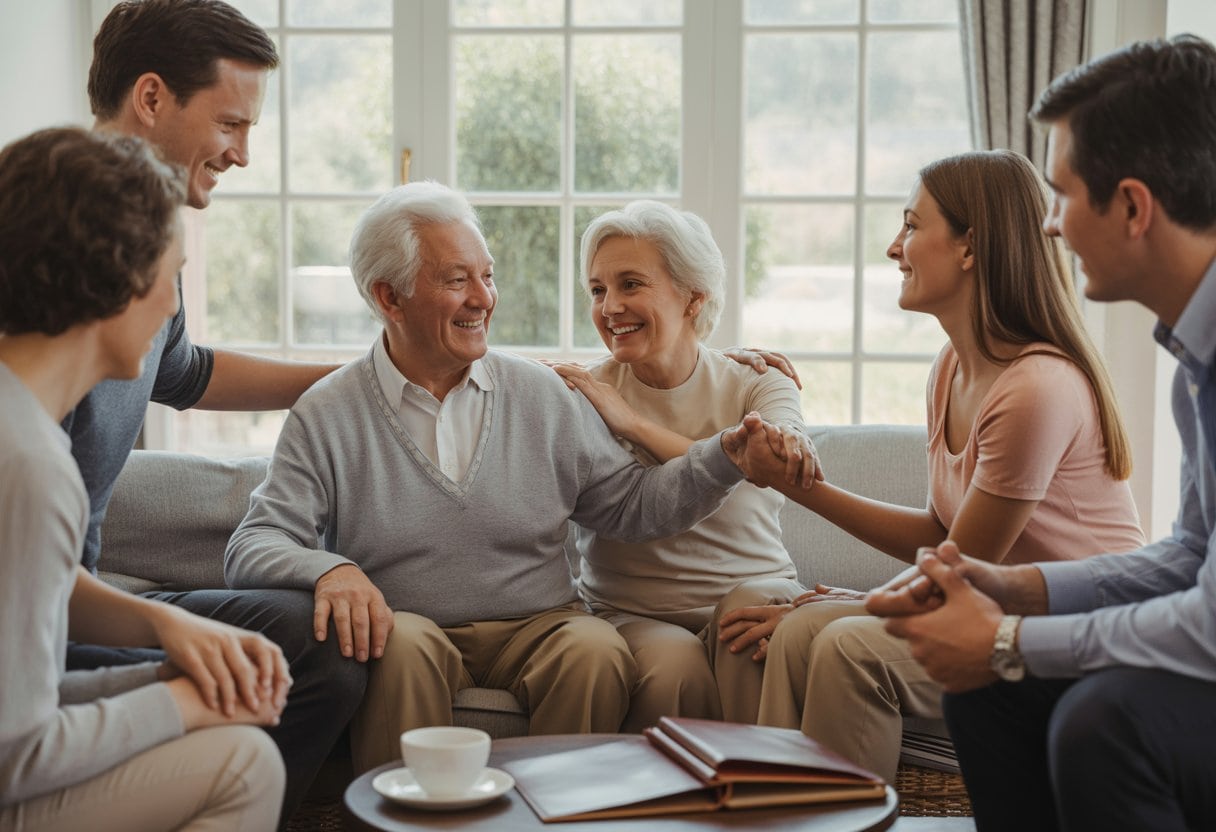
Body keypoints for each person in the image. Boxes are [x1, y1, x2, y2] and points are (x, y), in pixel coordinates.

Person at [222, 181, 785, 773]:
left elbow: (635, 506)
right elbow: (254, 543)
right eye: (457, 280)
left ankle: (556, 818)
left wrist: (722, 454)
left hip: (541, 624)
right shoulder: (328, 410)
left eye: (487, 277)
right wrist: (330, 569)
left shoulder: (540, 393)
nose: (483, 299)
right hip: (413, 623)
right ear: (390, 297)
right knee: (398, 650)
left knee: (593, 650)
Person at [866, 34, 1216, 832]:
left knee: (1107, 722)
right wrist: (1015, 589)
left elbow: (1210, 622)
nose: (1050, 227)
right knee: (992, 692)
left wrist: (1008, 639)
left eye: (1060, 197)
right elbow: (1193, 556)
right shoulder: (1197, 356)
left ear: (1131, 207)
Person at [718, 149, 1145, 783]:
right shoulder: (950, 369)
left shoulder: (1035, 388)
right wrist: (792, 485)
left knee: (846, 645)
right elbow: (942, 535)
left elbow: (958, 574)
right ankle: (771, 814)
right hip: (987, 606)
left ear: (970, 247)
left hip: (1069, 636)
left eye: (913, 226)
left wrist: (858, 602)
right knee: (796, 632)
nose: (895, 248)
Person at [70, 1, 363, 822]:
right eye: (230, 123)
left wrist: (357, 379)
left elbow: (182, 370)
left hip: (80, 590)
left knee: (325, 643)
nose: (240, 154)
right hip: (39, 617)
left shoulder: (144, 233)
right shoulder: (54, 241)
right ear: (153, 97)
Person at [0, 126, 287, 831]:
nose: (169, 309)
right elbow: (15, 757)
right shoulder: (33, 466)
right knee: (245, 763)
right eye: (171, 274)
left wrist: (168, 665)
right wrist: (188, 704)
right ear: (121, 277)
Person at [549, 200, 818, 729]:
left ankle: (758, 802)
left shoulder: (760, 381)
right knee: (676, 672)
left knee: (747, 626)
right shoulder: (583, 393)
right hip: (631, 611)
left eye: (630, 284)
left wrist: (634, 426)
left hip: (754, 590)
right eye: (598, 290)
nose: (609, 308)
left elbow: (781, 464)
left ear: (693, 296)